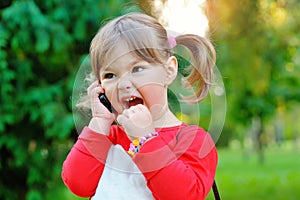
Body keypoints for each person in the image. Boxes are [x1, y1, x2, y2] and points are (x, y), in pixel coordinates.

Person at [62, 12, 218, 200]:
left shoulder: (193, 140)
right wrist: (99, 122)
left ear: (168, 71)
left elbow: (184, 195)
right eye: (110, 75)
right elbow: (77, 184)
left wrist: (146, 138)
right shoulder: (107, 139)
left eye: (137, 69)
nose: (123, 84)